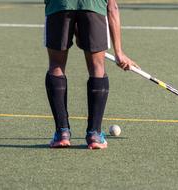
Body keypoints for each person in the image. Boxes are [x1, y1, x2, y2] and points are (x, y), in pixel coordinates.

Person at [44, 0, 139, 149]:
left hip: (59, 6)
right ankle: (94, 134)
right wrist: (119, 52)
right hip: (92, 6)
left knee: (57, 65)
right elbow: (112, 6)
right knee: (97, 67)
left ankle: (62, 133)